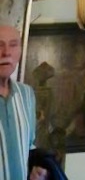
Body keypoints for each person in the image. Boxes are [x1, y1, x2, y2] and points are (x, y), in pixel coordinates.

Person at [0, 23, 49, 180]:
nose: (6, 52)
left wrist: (34, 172)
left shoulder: (27, 94)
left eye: (13, 45)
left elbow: (28, 146)